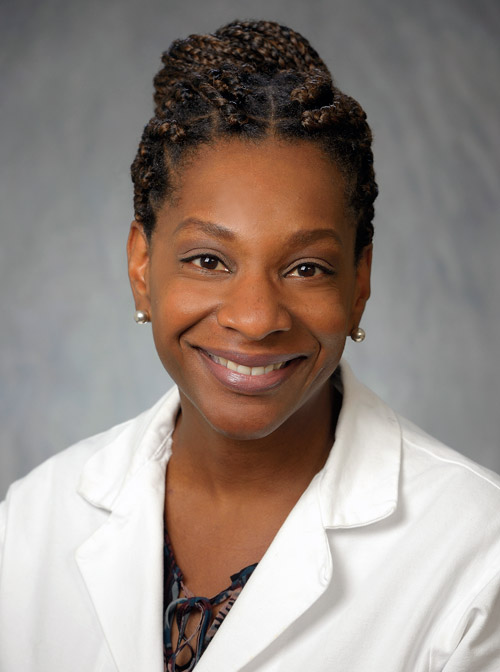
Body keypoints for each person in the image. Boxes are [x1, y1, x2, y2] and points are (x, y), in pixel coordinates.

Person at [0, 19, 499, 672]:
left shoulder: (478, 557)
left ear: (360, 282)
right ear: (143, 268)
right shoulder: (33, 521)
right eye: (209, 259)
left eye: (306, 268)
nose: (257, 318)